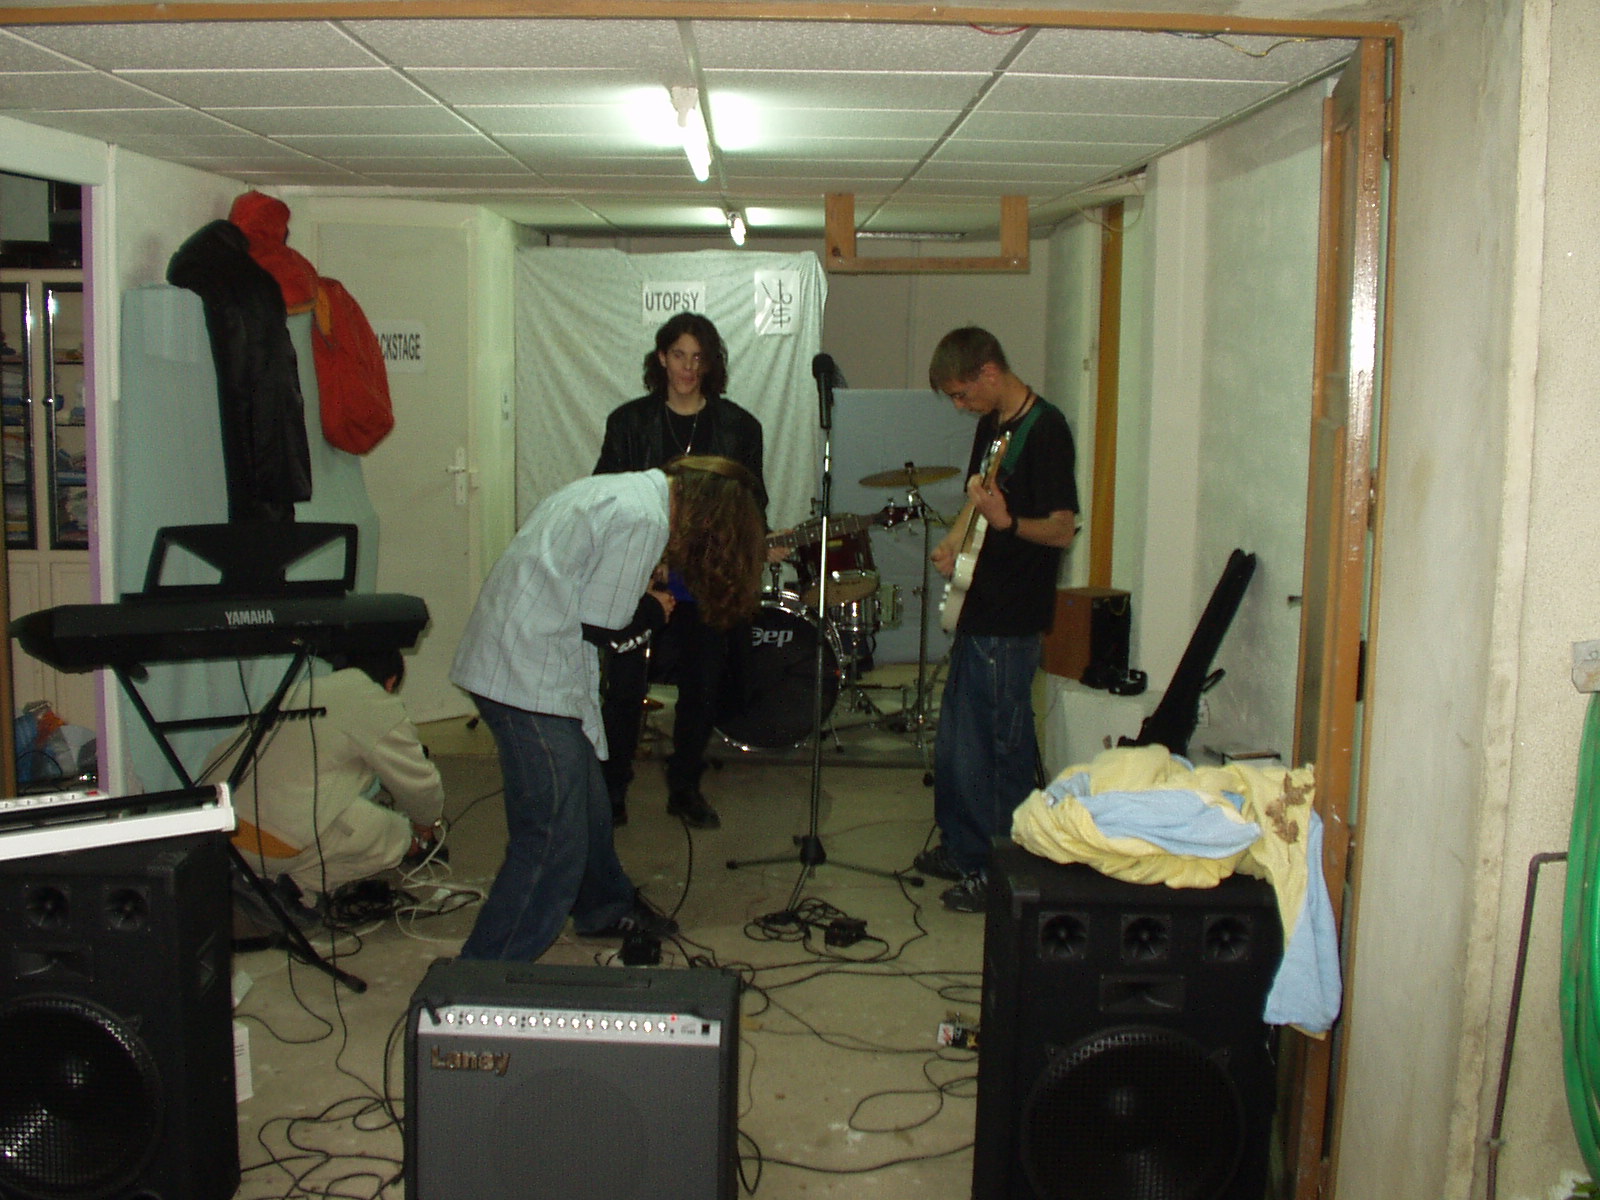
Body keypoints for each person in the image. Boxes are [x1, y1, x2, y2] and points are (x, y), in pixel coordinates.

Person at [451, 455, 766, 962]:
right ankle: (484, 970)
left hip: (524, 658)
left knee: (590, 806)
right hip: (522, 678)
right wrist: (655, 609)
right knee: (552, 836)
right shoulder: (645, 517)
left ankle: (603, 907)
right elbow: (607, 625)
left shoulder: (625, 491)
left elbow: (585, 589)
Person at [914, 327, 1080, 912]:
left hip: (1012, 617)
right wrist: (954, 543)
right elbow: (978, 498)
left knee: (999, 751)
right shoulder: (993, 426)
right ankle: (964, 848)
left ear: (989, 372)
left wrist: (1009, 524)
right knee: (958, 746)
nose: (961, 407)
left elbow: (1062, 528)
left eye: (962, 394)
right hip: (979, 609)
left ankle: (1003, 872)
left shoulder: (1047, 429)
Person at [593, 312, 769, 830]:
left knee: (703, 688)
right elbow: (605, 497)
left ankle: (685, 786)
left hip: (706, 582)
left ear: (710, 364)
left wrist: (754, 547)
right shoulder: (629, 423)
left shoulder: (740, 427)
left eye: (698, 358)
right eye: (678, 356)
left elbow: (753, 503)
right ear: (661, 359)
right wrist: (646, 564)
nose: (688, 368)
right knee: (625, 689)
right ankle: (612, 789)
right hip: (639, 577)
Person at [205, 647, 445, 921]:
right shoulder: (376, 703)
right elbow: (420, 785)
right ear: (390, 682)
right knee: (394, 833)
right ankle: (292, 889)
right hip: (267, 843)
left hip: (215, 825)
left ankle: (248, 872)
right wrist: (423, 827)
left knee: (320, 806)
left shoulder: (302, 688)